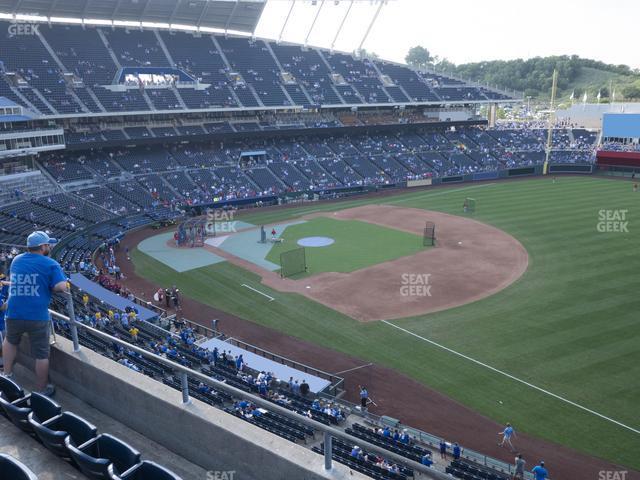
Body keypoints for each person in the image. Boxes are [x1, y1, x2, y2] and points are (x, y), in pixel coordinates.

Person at [2, 232, 67, 397]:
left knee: (10, 341)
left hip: (14, 311)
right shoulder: (51, 264)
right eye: (48, 245)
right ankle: (41, 389)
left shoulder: (16, 260)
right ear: (43, 246)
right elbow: (61, 287)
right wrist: (49, 287)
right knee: (41, 354)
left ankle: (7, 375)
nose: (49, 247)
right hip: (37, 316)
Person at [0, 273, 9, 369]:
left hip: (3, 324)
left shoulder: (2, 290)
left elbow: (11, 284)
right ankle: (2, 365)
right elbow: (2, 307)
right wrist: (12, 299)